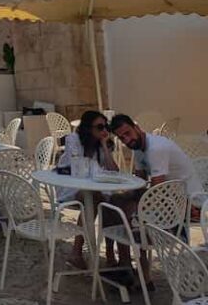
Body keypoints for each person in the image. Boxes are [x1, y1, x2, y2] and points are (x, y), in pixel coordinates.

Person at [110, 113, 203, 288]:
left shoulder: (155, 149)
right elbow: (139, 183)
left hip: (189, 203)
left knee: (130, 214)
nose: (126, 140)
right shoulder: (138, 148)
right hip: (170, 198)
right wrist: (124, 195)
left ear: (137, 128)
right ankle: (125, 266)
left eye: (128, 133)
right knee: (116, 202)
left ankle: (143, 276)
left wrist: (133, 203)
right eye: (122, 138)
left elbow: (156, 192)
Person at [56, 110, 119, 270]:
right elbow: (78, 164)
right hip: (72, 185)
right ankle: (97, 253)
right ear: (88, 128)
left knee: (108, 201)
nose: (104, 130)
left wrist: (104, 145)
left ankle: (81, 253)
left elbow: (114, 171)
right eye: (99, 127)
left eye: (106, 126)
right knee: (97, 198)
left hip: (95, 187)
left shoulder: (103, 143)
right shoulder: (74, 140)